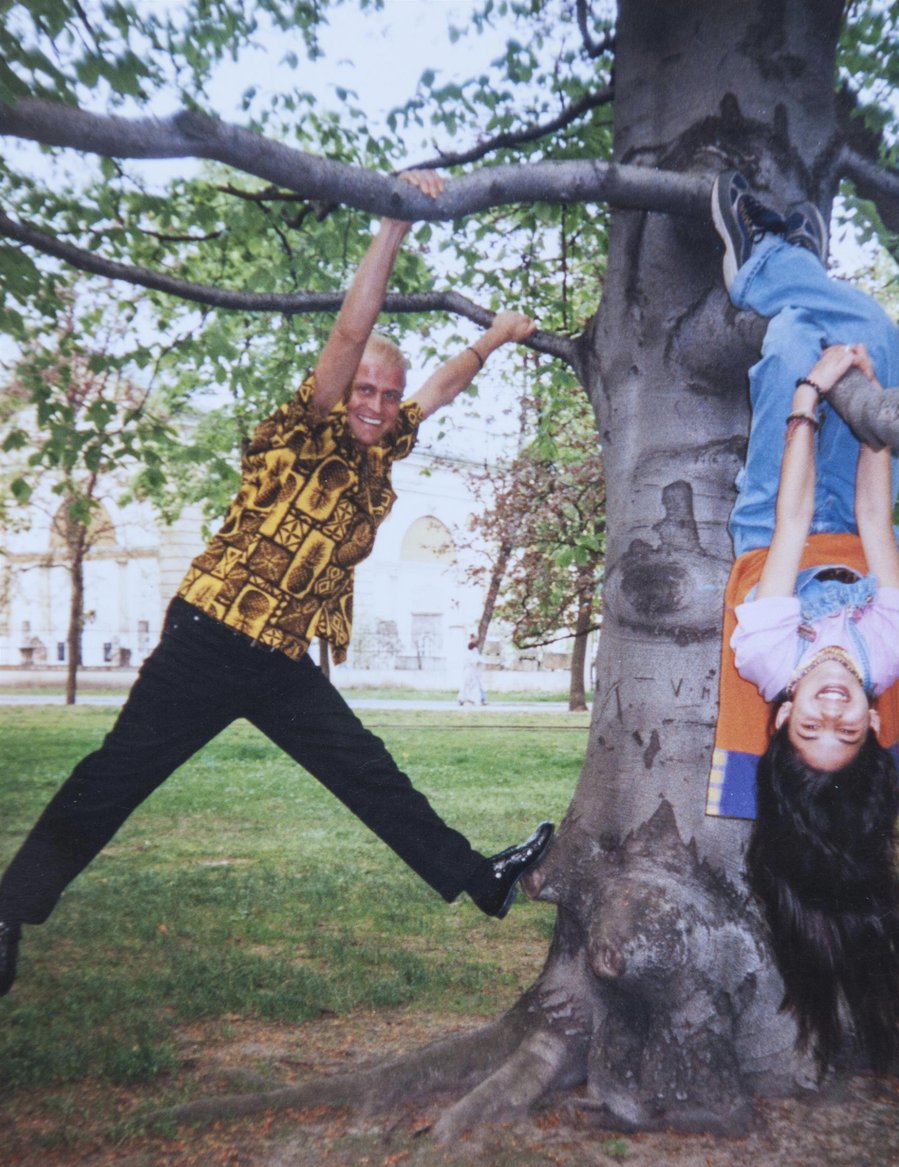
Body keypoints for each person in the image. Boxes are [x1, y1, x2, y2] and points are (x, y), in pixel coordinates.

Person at [0, 170, 553, 997]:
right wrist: (394, 226)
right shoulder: (303, 428)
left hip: (278, 659)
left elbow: (434, 391)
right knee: (116, 776)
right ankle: (8, 911)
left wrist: (494, 340)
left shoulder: (381, 446)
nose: (375, 403)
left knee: (366, 770)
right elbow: (349, 334)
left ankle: (483, 880)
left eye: (384, 395)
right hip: (209, 638)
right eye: (365, 389)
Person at [707, 171, 899, 1076]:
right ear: (870, 730)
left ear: (781, 720)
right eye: (851, 728)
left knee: (799, 343)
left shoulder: (767, 655)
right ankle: (795, 252)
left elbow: (794, 530)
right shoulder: (888, 653)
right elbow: (878, 527)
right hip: (854, 505)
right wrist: (875, 414)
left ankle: (763, 256)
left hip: (779, 517)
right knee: (873, 332)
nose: (837, 709)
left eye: (815, 726)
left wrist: (810, 401)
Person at [458, 636, 487, 707]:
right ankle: (469, 699)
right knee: (472, 687)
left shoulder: (468, 654)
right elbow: (476, 661)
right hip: (471, 673)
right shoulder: (472, 654)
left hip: (469, 673)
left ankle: (467, 699)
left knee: (469, 687)